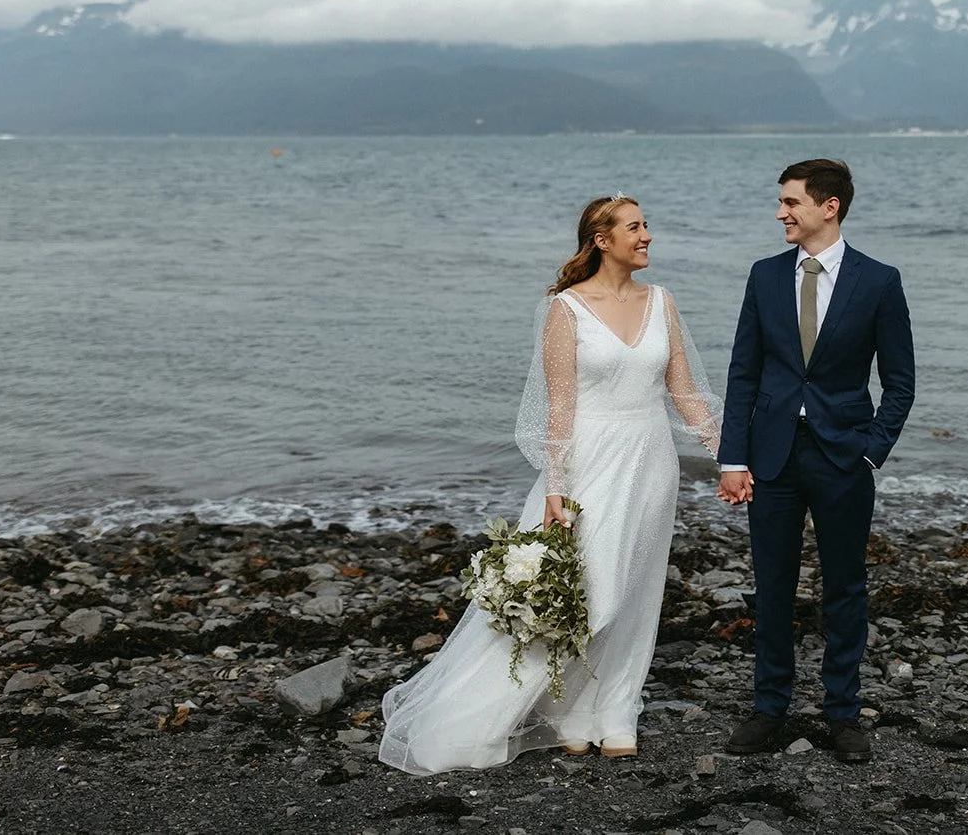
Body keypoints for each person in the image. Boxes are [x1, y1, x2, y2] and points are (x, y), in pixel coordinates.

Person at [378, 195, 721, 774]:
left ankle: (613, 714)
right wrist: (556, 485)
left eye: (646, 226)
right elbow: (558, 408)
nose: (648, 236)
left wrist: (730, 457)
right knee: (591, 589)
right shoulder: (567, 309)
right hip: (589, 465)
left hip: (651, 461)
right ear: (602, 239)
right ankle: (519, 713)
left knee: (636, 593)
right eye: (636, 227)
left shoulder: (662, 302)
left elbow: (685, 393)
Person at [716, 159, 915, 763]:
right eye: (782, 202)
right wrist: (732, 458)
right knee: (771, 585)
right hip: (771, 455)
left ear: (828, 207)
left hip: (842, 456)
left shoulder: (879, 282)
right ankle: (769, 706)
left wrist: (870, 448)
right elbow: (744, 371)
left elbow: (900, 382)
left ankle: (843, 713)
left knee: (845, 587)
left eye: (791, 202)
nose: (781, 212)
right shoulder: (764, 276)